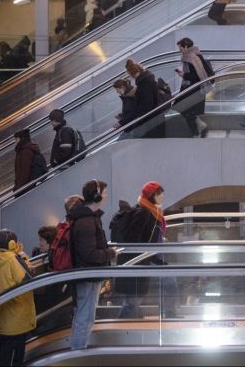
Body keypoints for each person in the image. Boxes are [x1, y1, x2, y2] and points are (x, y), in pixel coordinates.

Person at [116, 181, 179, 319]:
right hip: (143, 259)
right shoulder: (144, 212)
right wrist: (148, 249)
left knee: (135, 299)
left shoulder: (152, 211)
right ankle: (123, 324)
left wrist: (159, 240)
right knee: (133, 301)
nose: (162, 197)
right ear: (152, 196)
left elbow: (149, 233)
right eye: (160, 194)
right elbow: (133, 237)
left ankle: (169, 314)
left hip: (150, 258)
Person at [69, 180, 118, 350]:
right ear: (96, 195)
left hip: (89, 275)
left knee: (84, 315)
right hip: (88, 276)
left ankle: (77, 351)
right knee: (86, 317)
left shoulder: (87, 219)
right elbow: (89, 253)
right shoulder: (87, 222)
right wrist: (110, 253)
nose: (106, 196)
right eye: (104, 192)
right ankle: (77, 354)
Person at [0, 230, 34, 366]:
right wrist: (24, 258)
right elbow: (29, 279)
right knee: (14, 359)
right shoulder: (13, 259)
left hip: (3, 320)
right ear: (12, 244)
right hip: (18, 319)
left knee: (2, 355)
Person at [174, 38, 211, 138]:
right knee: (186, 110)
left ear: (185, 46)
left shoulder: (191, 58)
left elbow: (196, 76)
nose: (180, 51)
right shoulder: (196, 55)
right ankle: (200, 128)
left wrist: (184, 75)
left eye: (180, 48)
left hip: (193, 89)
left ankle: (197, 131)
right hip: (193, 89)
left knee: (183, 108)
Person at [125, 59, 166, 138]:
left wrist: (138, 115)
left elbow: (147, 103)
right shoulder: (147, 79)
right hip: (157, 115)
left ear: (132, 73)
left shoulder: (144, 83)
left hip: (151, 118)